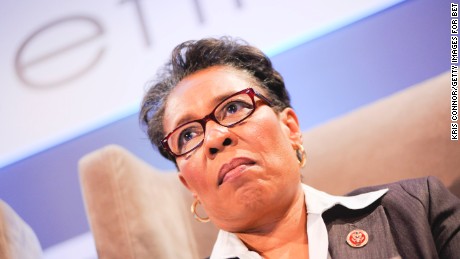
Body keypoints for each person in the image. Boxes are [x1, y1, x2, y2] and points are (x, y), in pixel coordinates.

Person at [140, 37, 460, 259]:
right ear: (189, 186)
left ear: (290, 128)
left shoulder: (415, 210)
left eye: (234, 107)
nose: (214, 138)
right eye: (187, 135)